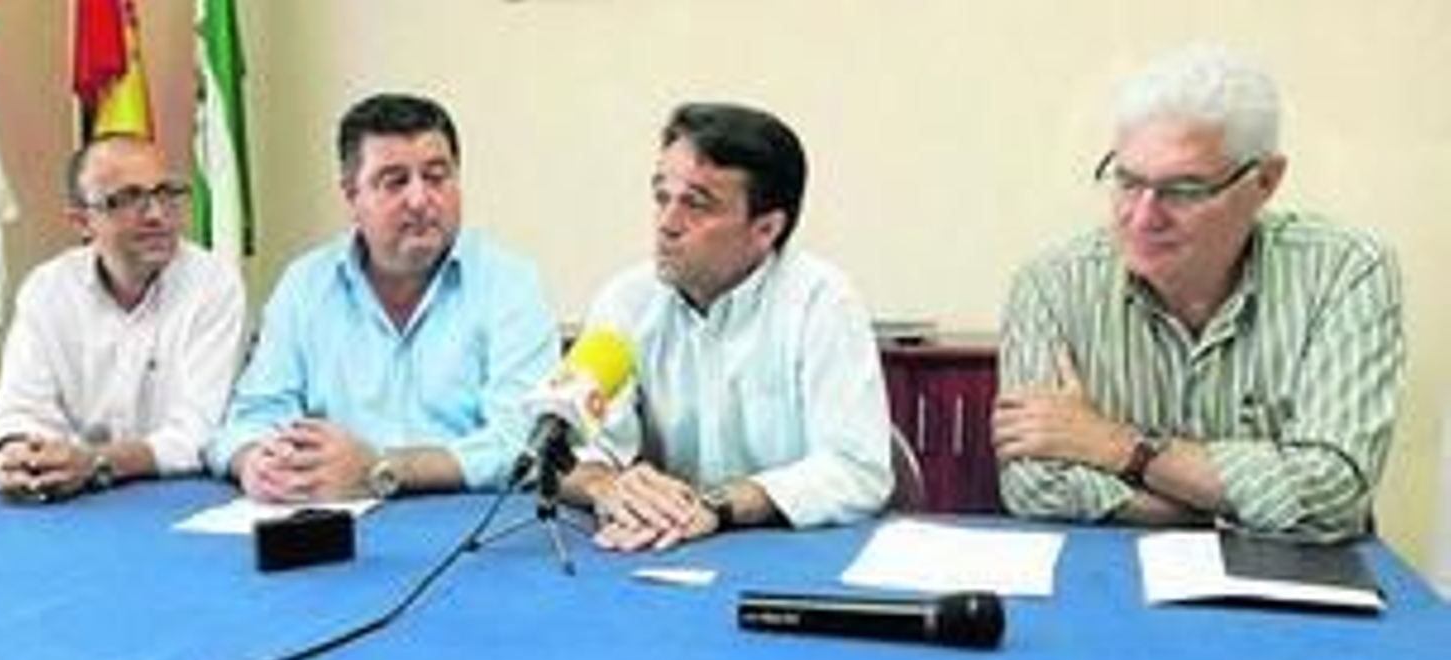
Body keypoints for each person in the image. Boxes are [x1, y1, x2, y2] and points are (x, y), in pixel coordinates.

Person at [992, 44, 1405, 542]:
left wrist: (1118, 447)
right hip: (1110, 573)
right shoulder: (1051, 285)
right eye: (1127, 180)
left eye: (1183, 189)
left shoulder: (1346, 272)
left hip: (1298, 584)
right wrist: (1231, 506)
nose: (1142, 217)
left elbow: (1332, 495)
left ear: (1266, 180)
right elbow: (1032, 487)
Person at [562, 102, 893, 552]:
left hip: (786, 554)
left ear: (766, 228)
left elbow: (858, 471)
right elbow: (576, 451)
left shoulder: (822, 301)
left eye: (695, 205)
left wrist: (720, 506)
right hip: (663, 550)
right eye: (662, 197)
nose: (667, 224)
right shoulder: (624, 301)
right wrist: (606, 486)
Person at [208, 93, 558, 503]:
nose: (420, 199)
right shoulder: (305, 286)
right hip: (331, 519)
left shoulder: (510, 284)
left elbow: (525, 443)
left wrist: (381, 468)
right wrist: (256, 463)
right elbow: (253, 417)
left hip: (462, 524)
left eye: (436, 176)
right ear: (351, 196)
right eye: (394, 181)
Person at [0, 134, 246, 502]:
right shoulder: (47, 290)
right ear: (81, 222)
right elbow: (21, 410)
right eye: (127, 199)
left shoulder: (212, 284)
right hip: (67, 502)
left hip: (177, 498)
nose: (156, 214)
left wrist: (96, 463)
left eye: (166, 193)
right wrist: (15, 453)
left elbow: (199, 432)